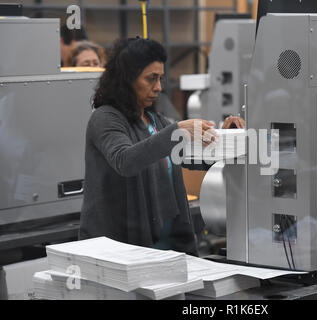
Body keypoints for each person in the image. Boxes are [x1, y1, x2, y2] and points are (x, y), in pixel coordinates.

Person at [79, 37, 244, 256]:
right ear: (126, 79)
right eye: (151, 79)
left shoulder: (154, 120)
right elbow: (125, 161)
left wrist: (224, 139)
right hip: (120, 250)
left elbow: (192, 157)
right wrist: (177, 131)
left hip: (167, 248)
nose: (158, 87)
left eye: (160, 79)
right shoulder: (105, 118)